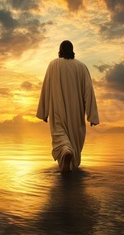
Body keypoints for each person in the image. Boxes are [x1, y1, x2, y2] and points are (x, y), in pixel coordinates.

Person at [36, 40, 99, 173]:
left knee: (59, 133)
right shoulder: (82, 67)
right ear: (72, 50)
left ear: (60, 50)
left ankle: (65, 151)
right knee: (74, 137)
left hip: (57, 109)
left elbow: (46, 87)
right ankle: (69, 155)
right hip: (76, 111)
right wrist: (92, 116)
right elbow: (89, 91)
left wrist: (44, 111)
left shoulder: (53, 64)